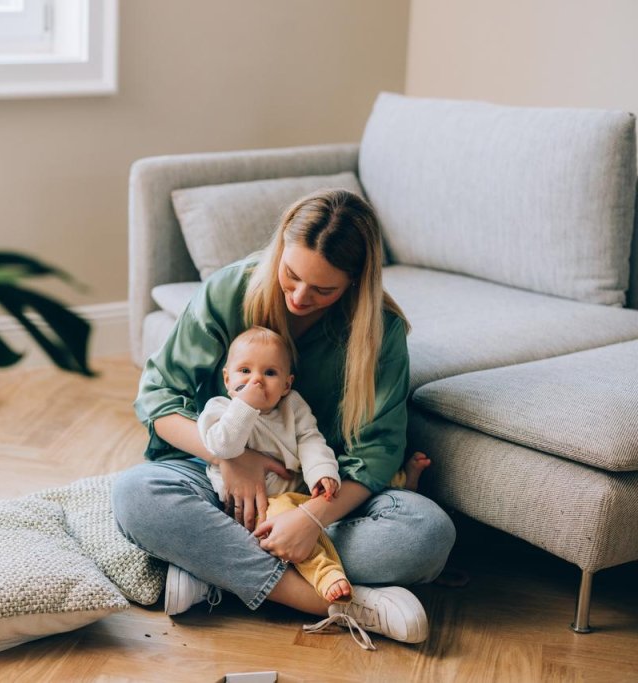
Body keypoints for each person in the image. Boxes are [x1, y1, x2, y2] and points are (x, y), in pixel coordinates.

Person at [111, 188, 456, 647]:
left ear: (355, 281)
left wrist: (311, 519)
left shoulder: (380, 331)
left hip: (316, 495)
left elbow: (377, 455)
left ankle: (215, 572)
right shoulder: (231, 289)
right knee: (136, 494)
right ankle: (330, 601)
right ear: (279, 251)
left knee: (426, 534)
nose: (298, 296)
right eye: (291, 275)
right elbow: (158, 397)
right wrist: (231, 459)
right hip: (216, 480)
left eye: (323, 289)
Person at [199, 325, 351, 604]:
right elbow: (223, 447)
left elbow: (310, 440)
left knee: (344, 482)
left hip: (299, 491)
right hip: (260, 506)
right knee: (281, 517)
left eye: (269, 373)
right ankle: (326, 574)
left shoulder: (292, 406)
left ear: (287, 384)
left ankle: (403, 481)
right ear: (226, 378)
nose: (256, 380)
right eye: (245, 371)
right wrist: (245, 405)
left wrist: (322, 473)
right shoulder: (219, 409)